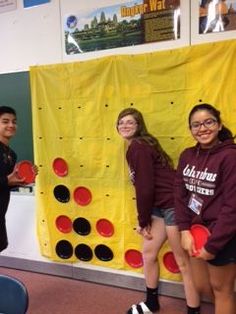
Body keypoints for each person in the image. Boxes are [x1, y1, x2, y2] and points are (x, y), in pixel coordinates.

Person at [116, 108, 200, 314]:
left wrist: (143, 221)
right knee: (149, 253)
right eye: (121, 122)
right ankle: (152, 302)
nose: (125, 126)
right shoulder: (137, 146)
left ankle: (193, 310)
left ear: (139, 126)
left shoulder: (138, 147)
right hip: (159, 206)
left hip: (172, 205)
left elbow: (144, 187)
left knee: (182, 261)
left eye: (130, 122)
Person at [175, 103, 236, 314]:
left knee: (222, 290)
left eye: (208, 122)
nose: (202, 129)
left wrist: (213, 245)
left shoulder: (230, 156)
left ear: (219, 125)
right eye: (196, 125)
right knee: (202, 285)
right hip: (195, 232)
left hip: (224, 234)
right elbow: (180, 195)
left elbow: (232, 207)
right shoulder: (187, 155)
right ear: (190, 129)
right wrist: (184, 230)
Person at [0, 106, 36, 252]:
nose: (11, 125)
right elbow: (4, 180)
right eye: (5, 121)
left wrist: (23, 179)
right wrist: (6, 181)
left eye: (14, 122)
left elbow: (7, 181)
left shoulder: (11, 154)